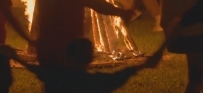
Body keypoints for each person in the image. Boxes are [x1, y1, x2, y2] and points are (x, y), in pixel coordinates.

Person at [20, 38, 159, 93]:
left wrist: (14, 56)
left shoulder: (55, 76)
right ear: (89, 60)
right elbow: (118, 77)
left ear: (66, 56)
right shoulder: (92, 83)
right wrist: (145, 65)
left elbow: (36, 69)